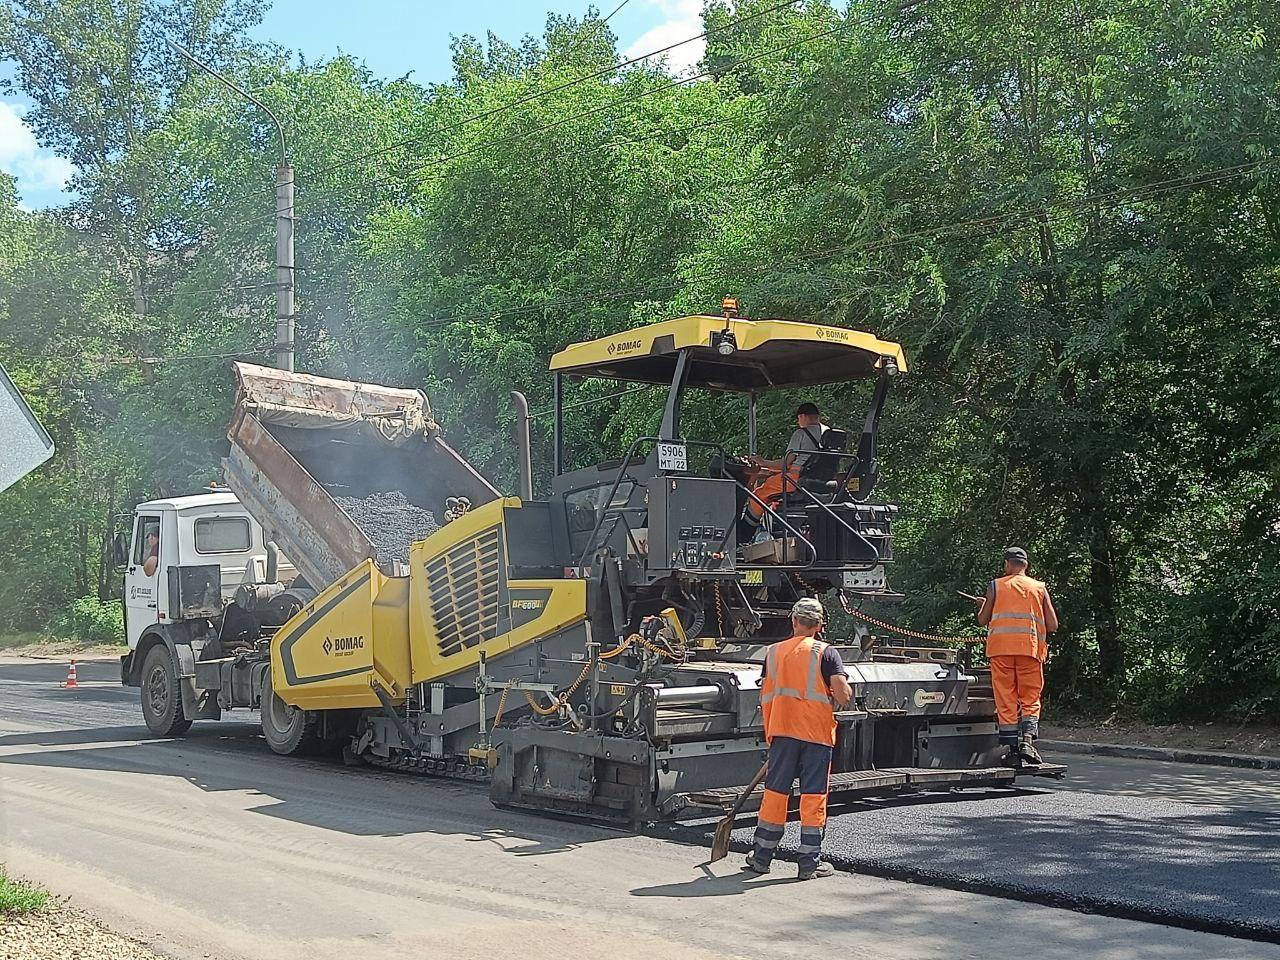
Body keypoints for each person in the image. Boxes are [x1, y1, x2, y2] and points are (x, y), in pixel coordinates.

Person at [745, 597, 853, 880]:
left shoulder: (773, 652)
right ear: (819, 625)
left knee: (775, 794)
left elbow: (767, 691)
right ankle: (808, 864)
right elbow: (842, 695)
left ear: (793, 621)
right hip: (816, 735)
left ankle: (761, 857)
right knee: (813, 796)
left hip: (782, 732)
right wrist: (844, 690)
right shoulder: (826, 653)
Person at [976, 546, 1059, 765]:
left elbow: (983, 620)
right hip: (1030, 650)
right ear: (1026, 565)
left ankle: (1012, 750)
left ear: (1007, 564)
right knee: (1030, 698)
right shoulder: (1039, 587)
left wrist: (984, 606)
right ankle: (1027, 742)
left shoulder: (996, 586)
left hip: (1001, 651)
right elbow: (1053, 624)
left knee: (1006, 699)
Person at [743, 403, 828, 531]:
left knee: (759, 494)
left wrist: (763, 462)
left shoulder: (801, 433)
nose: (798, 422)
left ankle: (745, 531)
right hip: (822, 480)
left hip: (796, 480)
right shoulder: (830, 433)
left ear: (803, 416)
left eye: (798, 419)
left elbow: (787, 463)